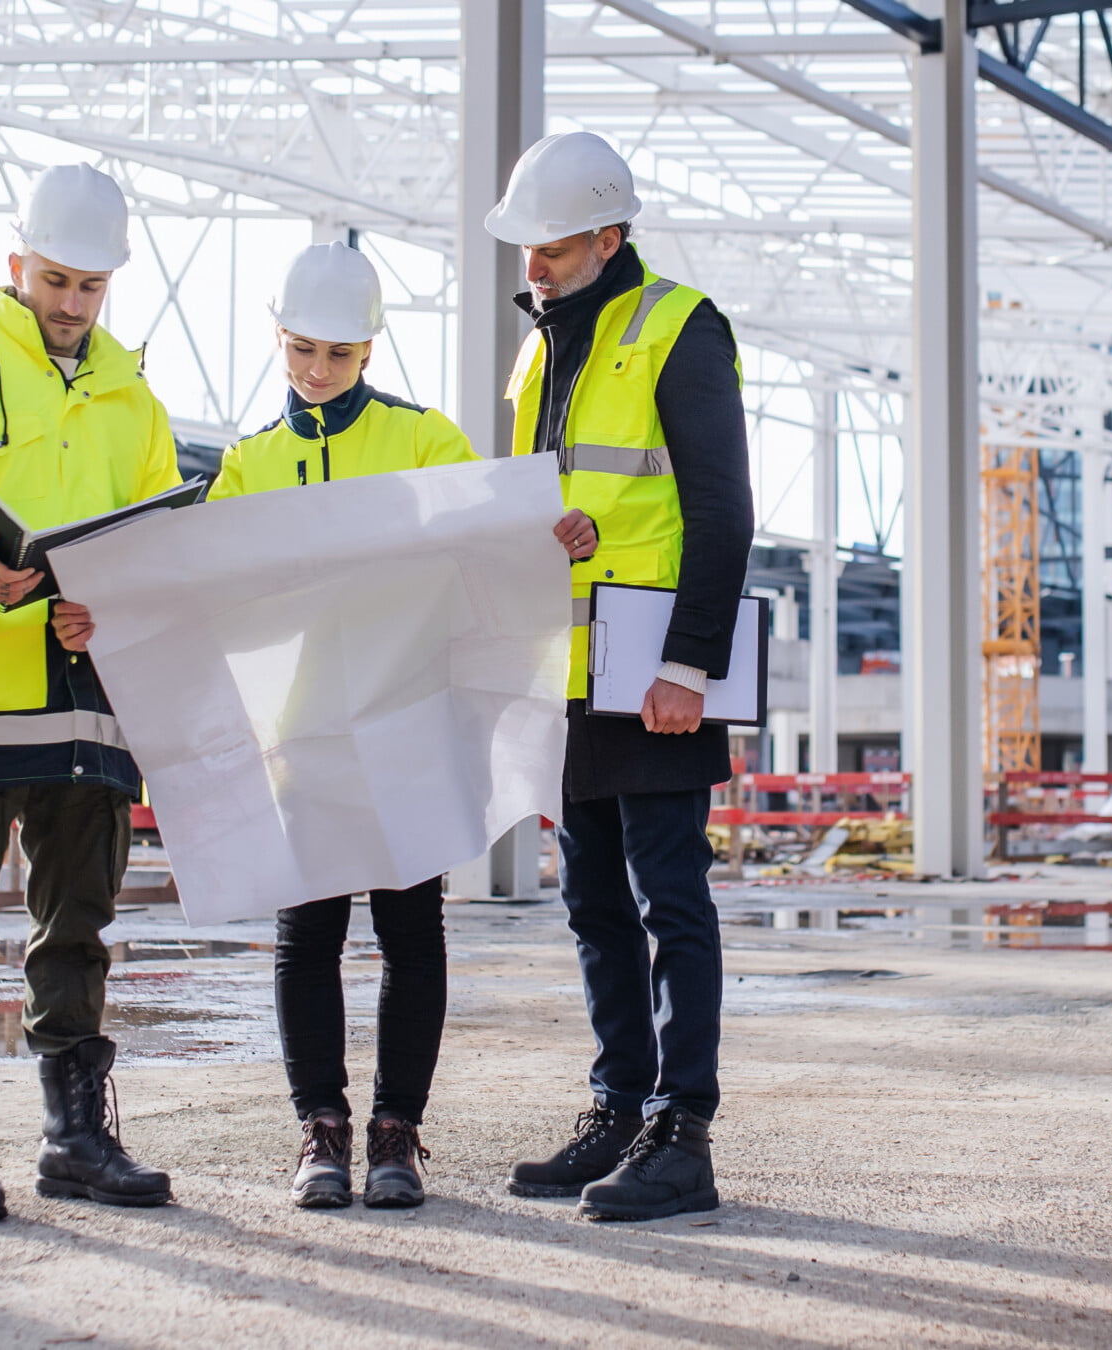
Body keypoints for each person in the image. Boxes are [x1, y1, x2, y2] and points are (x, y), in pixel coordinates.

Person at [0, 164, 181, 1221]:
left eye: (90, 287)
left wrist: (117, 603)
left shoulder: (134, 404)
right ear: (16, 266)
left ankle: (76, 1137)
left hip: (89, 699)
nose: (69, 304)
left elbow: (157, 549)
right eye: (55, 280)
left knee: (77, 928)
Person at [487, 133, 754, 1221]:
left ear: (607, 236)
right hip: (570, 670)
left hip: (653, 671)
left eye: (550, 248)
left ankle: (681, 1130)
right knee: (595, 906)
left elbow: (722, 507)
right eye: (526, 249)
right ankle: (616, 1105)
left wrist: (690, 664)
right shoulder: (538, 353)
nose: (533, 267)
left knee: (668, 901)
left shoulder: (679, 328)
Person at [206, 242, 477, 1209]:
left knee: (412, 934)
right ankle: (320, 1129)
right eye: (302, 349)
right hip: (305, 732)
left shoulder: (426, 441)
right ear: (278, 337)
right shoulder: (248, 463)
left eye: (340, 355)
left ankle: (397, 1132)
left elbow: (483, 554)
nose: (318, 371)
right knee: (307, 935)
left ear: (371, 349)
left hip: (407, 722)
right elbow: (215, 594)